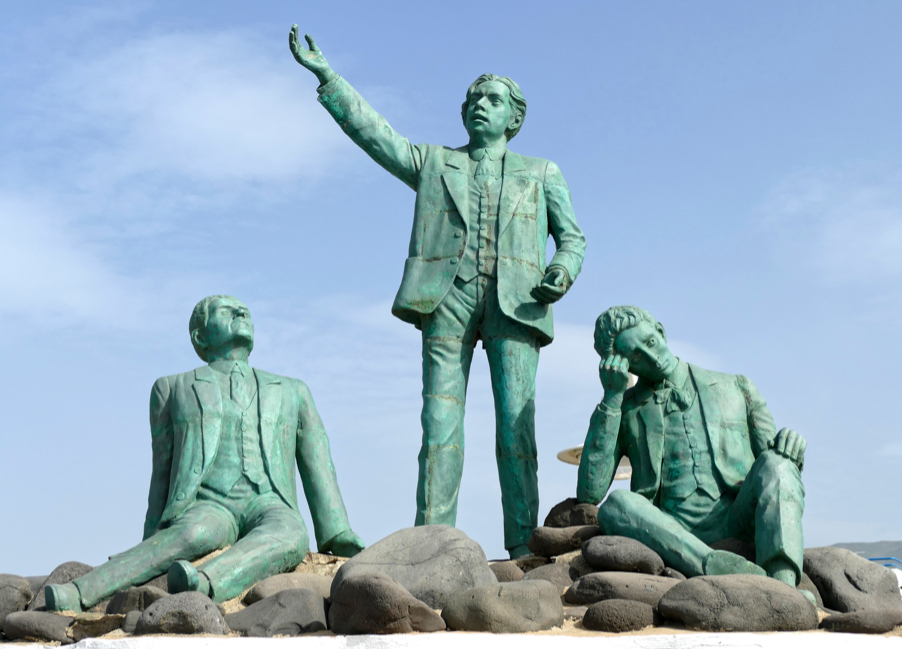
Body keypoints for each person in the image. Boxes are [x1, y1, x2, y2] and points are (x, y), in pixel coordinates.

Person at [289, 26, 587, 557]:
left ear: (514, 117)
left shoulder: (541, 172)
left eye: (493, 100)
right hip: (444, 297)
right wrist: (328, 78)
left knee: (516, 434)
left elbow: (573, 238)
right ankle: (432, 543)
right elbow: (376, 136)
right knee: (438, 427)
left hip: (516, 304)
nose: (480, 105)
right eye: (473, 98)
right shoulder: (432, 162)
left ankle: (522, 546)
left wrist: (561, 272)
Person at [45, 296, 363, 611]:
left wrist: (336, 534)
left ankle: (204, 583)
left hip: (269, 501)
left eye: (245, 311)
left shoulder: (293, 390)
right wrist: (151, 535)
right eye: (227, 311)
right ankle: (79, 592)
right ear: (200, 336)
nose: (241, 313)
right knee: (192, 534)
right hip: (208, 504)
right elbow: (162, 473)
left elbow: (318, 461)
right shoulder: (172, 389)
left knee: (291, 533)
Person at [577, 305, 807, 586]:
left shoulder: (737, 387)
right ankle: (713, 567)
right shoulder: (624, 410)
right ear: (623, 365)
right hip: (666, 529)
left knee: (778, 464)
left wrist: (789, 447)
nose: (652, 357)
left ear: (661, 331)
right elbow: (590, 492)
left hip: (736, 519)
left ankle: (783, 587)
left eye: (651, 342)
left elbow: (772, 464)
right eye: (636, 355)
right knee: (616, 504)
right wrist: (612, 397)